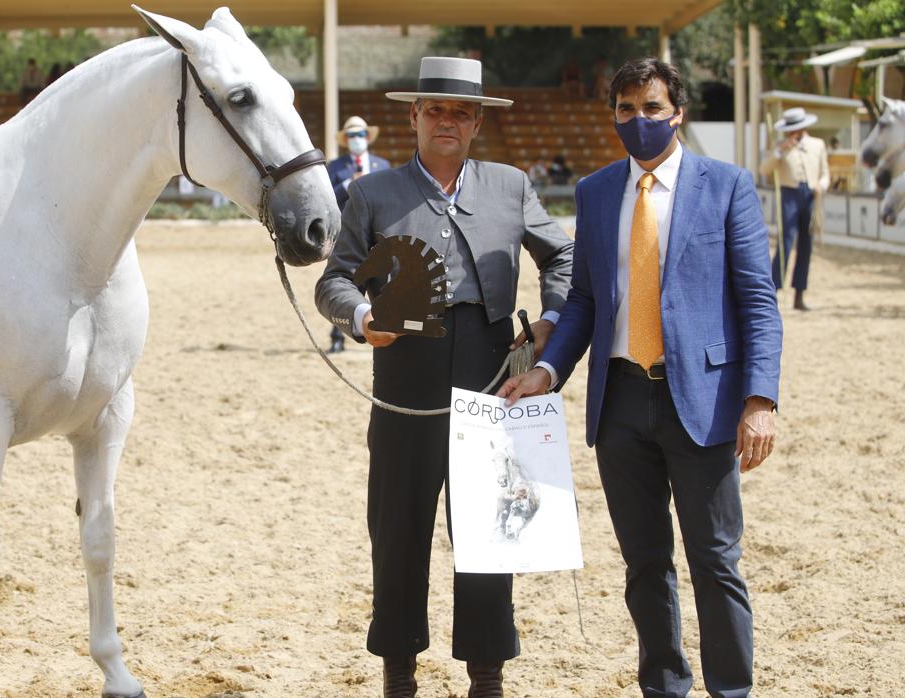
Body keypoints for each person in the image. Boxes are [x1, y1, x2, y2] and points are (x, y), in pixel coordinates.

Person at [499, 57, 782, 698]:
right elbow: (587, 303)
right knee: (644, 565)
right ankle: (664, 687)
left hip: (705, 402)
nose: (640, 120)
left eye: (652, 108)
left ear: (677, 111)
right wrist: (546, 369)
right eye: (626, 110)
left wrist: (760, 398)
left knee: (715, 562)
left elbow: (758, 302)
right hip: (620, 400)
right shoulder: (597, 192)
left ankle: (731, 690)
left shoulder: (728, 186)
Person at [315, 56, 574, 698]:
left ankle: (487, 672)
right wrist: (359, 314)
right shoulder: (373, 193)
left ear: (478, 121)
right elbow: (334, 280)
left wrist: (552, 319)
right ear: (414, 117)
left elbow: (562, 254)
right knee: (398, 524)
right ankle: (398, 667)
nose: (448, 121)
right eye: (436, 110)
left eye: (461, 111)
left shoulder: (511, 186)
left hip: (492, 369)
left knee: (491, 525)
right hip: (405, 371)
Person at [325, 115, 391, 353]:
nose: (356, 139)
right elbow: (327, 196)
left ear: (367, 137)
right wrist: (348, 184)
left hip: (377, 235)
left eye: (360, 134)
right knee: (346, 286)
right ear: (346, 140)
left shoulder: (382, 165)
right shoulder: (335, 167)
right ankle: (338, 336)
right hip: (347, 235)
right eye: (352, 135)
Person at [759, 107, 829, 311]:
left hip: (810, 195)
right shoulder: (780, 146)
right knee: (785, 242)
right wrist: (780, 151)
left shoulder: (817, 145)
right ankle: (773, 292)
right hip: (788, 194)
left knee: (806, 245)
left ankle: (799, 294)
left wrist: (821, 186)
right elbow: (764, 169)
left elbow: (825, 173)